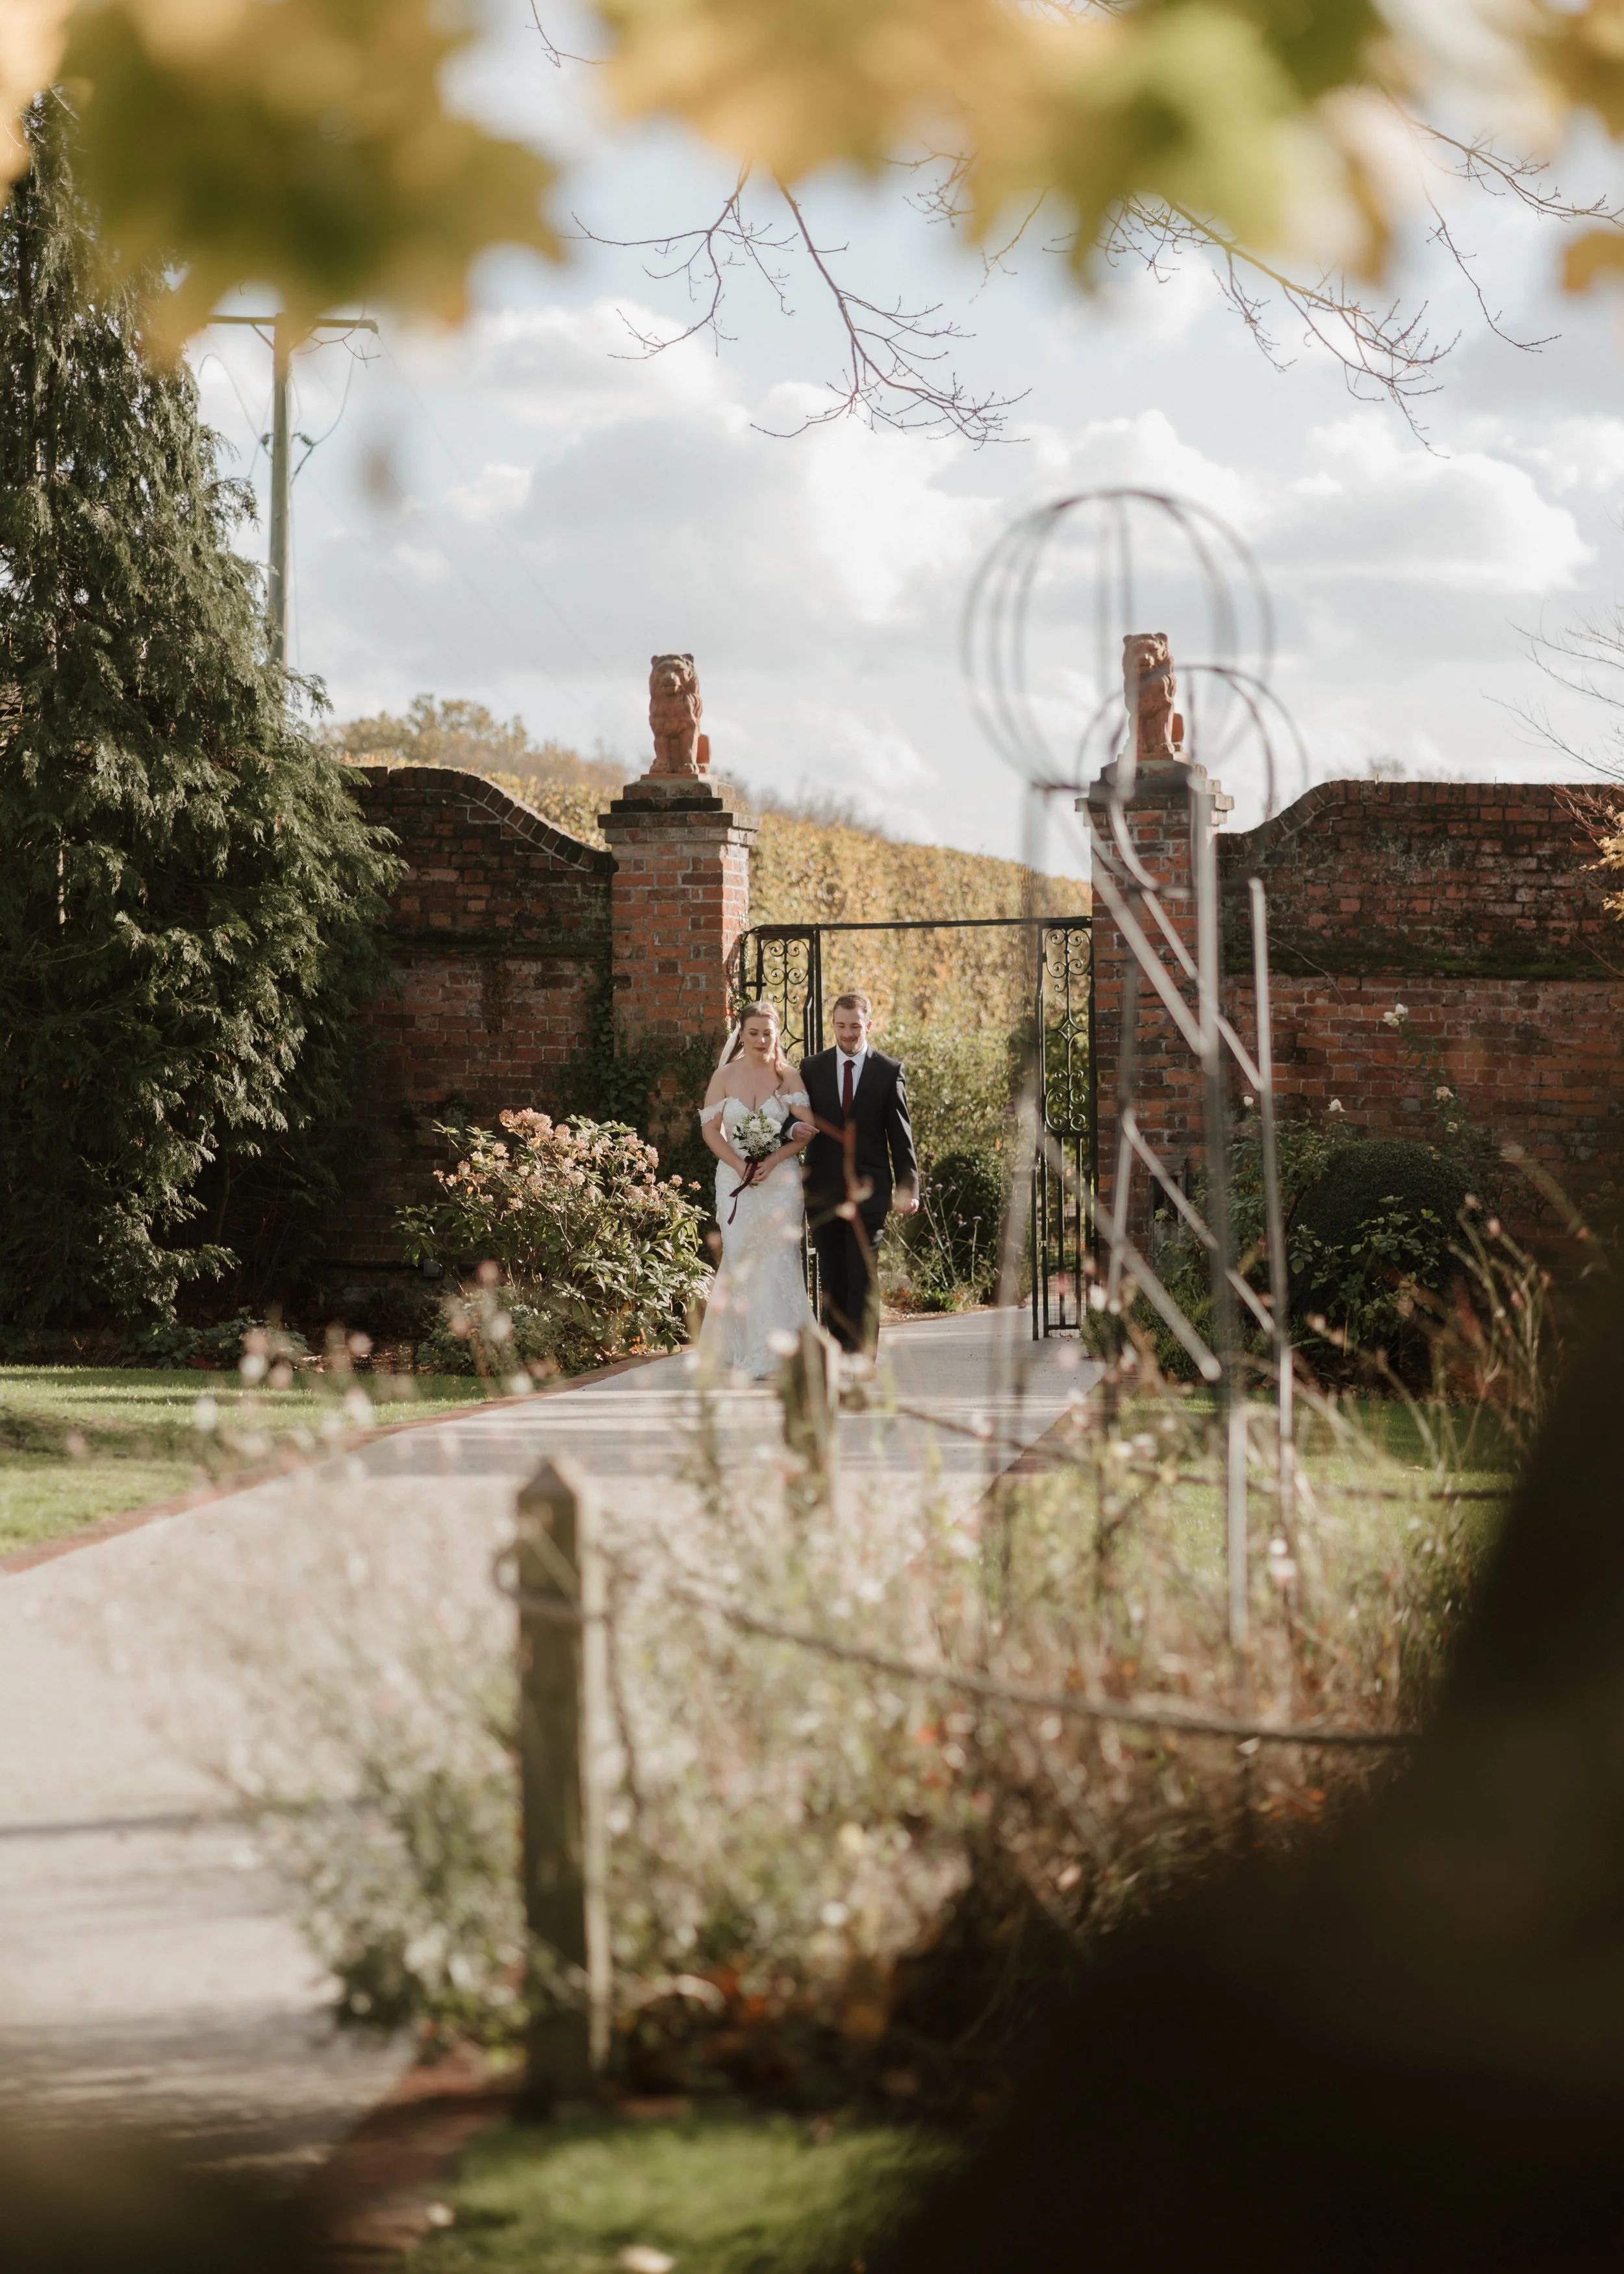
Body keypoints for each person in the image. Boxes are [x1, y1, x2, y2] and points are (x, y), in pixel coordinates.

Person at [694, 1001, 818, 1377]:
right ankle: (745, 1350)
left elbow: (807, 1130)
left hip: (779, 1182)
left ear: (777, 1033)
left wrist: (774, 1158)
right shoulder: (725, 1077)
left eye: (768, 1032)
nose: (762, 1040)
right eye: (754, 1033)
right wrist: (739, 1164)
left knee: (778, 1259)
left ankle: (782, 1352)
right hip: (735, 1180)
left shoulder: (788, 1077)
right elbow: (711, 1131)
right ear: (741, 1033)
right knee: (741, 1258)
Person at [800, 991, 918, 1355]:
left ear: (868, 1025)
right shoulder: (811, 1068)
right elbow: (794, 1116)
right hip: (823, 1190)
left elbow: (901, 1135)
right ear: (832, 1026)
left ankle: (862, 1355)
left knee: (861, 1275)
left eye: (855, 1026)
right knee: (832, 1277)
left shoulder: (888, 1071)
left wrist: (908, 1186)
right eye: (841, 1026)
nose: (848, 1034)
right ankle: (836, 1356)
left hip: (869, 1193)